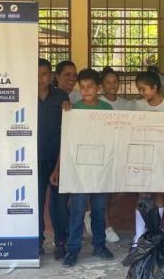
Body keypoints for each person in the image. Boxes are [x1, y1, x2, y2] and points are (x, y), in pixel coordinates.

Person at [51, 68, 114, 268]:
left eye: (90, 87)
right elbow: (66, 141)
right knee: (77, 209)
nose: (86, 90)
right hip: (79, 170)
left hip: (100, 168)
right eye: (83, 87)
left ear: (98, 88)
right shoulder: (73, 109)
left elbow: (114, 139)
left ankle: (99, 245)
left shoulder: (107, 109)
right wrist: (59, 167)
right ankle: (73, 249)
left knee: (99, 209)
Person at [132, 70, 164, 247]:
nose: (141, 92)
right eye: (139, 89)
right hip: (142, 153)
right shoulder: (138, 105)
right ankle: (139, 233)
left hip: (163, 153)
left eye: (143, 89)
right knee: (143, 193)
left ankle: (156, 230)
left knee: (160, 191)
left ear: (155, 87)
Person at [37, 58, 70, 260]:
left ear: (51, 76)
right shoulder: (23, 96)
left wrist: (59, 165)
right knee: (36, 203)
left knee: (60, 206)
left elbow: (67, 130)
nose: (40, 79)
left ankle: (60, 242)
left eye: (44, 74)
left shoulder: (61, 96)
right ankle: (37, 243)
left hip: (58, 158)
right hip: (34, 161)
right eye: (36, 74)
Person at [95, 67, 128, 244]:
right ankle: (106, 225)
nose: (112, 85)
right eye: (108, 82)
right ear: (102, 85)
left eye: (115, 82)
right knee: (104, 189)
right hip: (103, 153)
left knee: (121, 189)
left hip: (121, 152)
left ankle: (94, 212)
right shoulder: (97, 102)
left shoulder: (127, 104)